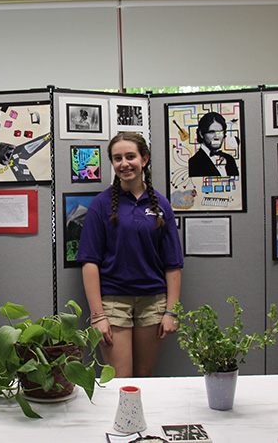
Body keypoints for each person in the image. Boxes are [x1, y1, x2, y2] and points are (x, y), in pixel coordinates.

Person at [77, 132, 183, 377]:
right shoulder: (101, 205)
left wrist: (171, 311)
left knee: (146, 377)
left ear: (144, 159)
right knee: (119, 379)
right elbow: (89, 263)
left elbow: (173, 264)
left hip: (153, 303)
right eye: (117, 158)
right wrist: (98, 316)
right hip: (113, 304)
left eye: (130, 156)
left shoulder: (161, 205)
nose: (124, 163)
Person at [187, 111, 239, 177]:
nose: (216, 137)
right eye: (211, 132)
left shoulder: (230, 159)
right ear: (201, 134)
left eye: (220, 132)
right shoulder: (194, 162)